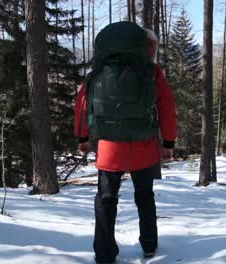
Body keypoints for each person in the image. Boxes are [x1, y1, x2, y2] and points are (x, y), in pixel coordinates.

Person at [74, 22, 177, 263]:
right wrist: (168, 142)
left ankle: (104, 252)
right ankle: (149, 245)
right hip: (143, 145)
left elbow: (82, 106)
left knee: (106, 199)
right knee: (145, 195)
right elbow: (167, 107)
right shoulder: (152, 72)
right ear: (144, 47)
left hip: (110, 148)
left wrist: (83, 136)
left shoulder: (97, 72)